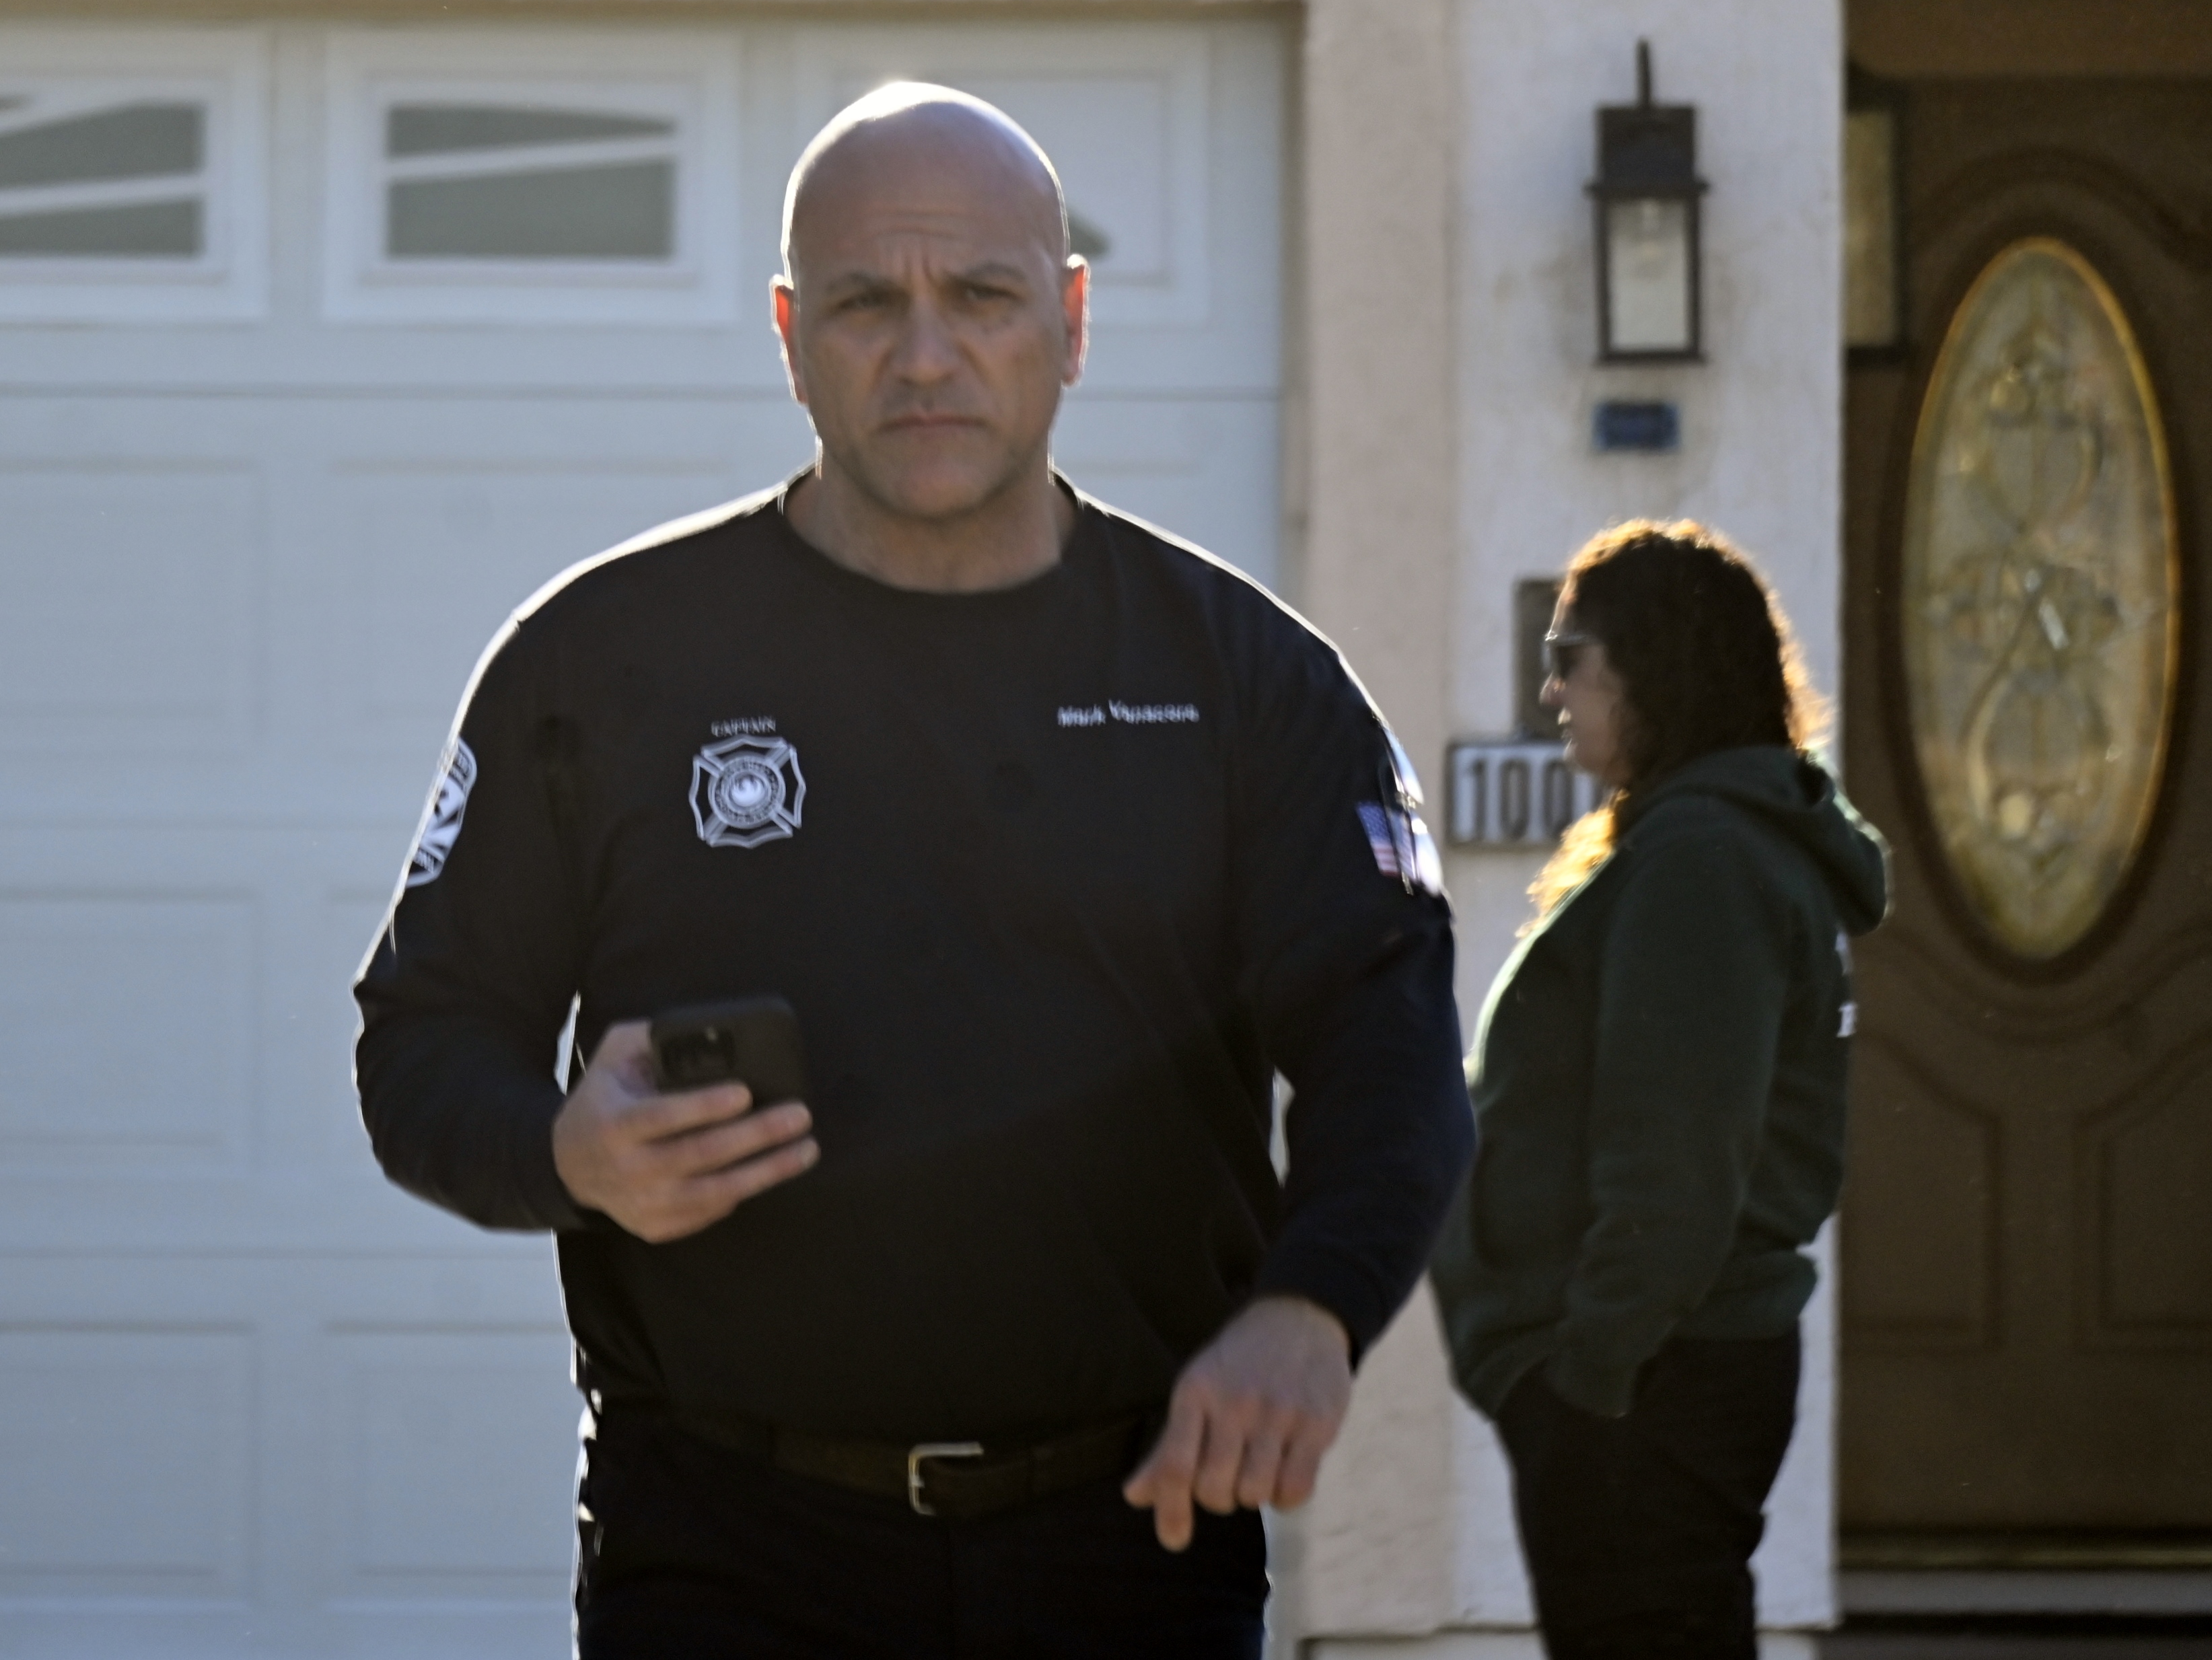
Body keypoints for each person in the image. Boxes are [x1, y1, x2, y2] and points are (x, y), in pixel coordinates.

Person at [354, 82, 1474, 1659]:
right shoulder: (599, 661)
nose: (927, 355)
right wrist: (562, 1154)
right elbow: (421, 1041)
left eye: (984, 297)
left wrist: (1315, 1306)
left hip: (1132, 1549)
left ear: (1072, 321)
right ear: (789, 333)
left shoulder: (1244, 684)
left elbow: (1392, 1049)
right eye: (867, 303)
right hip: (726, 1552)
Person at [1430, 521, 1889, 1660]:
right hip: (1657, 1381)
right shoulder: (1699, 844)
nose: (1551, 690)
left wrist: (1586, 1379)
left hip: (1648, 1390)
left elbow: (1676, 1162)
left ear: (1654, 666)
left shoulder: (1704, 862)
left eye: (1570, 658)